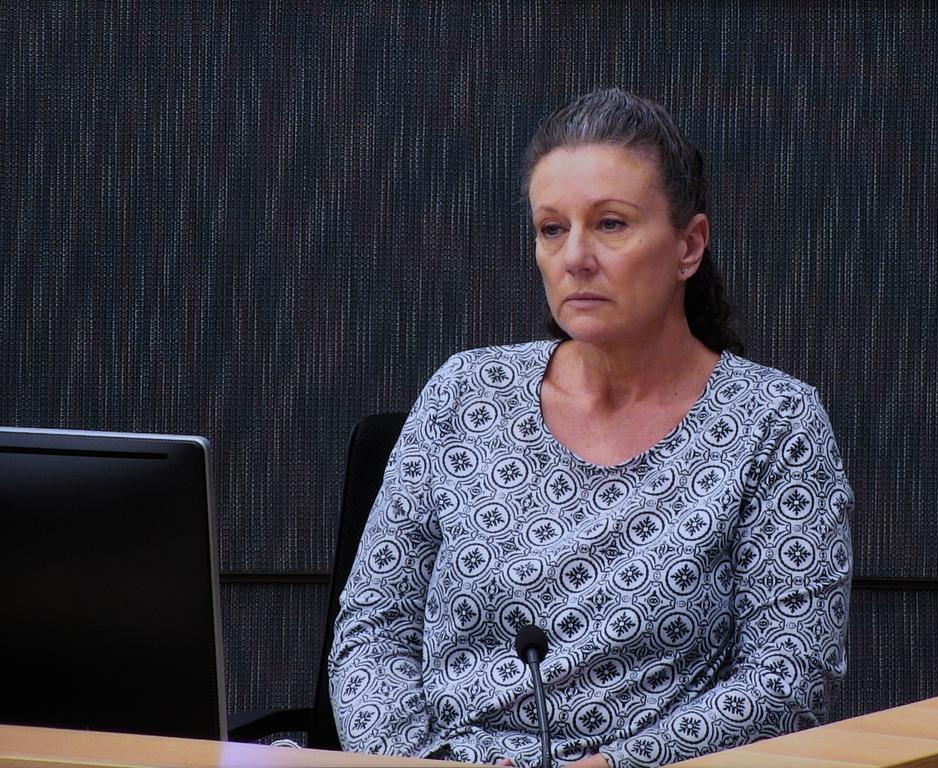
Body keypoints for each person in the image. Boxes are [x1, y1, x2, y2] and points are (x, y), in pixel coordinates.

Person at [328, 88, 853, 768]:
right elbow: (374, 627)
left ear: (689, 245)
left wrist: (615, 767)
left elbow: (788, 678)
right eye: (552, 228)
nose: (575, 256)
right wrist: (421, 764)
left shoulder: (775, 423)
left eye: (609, 224)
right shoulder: (464, 391)